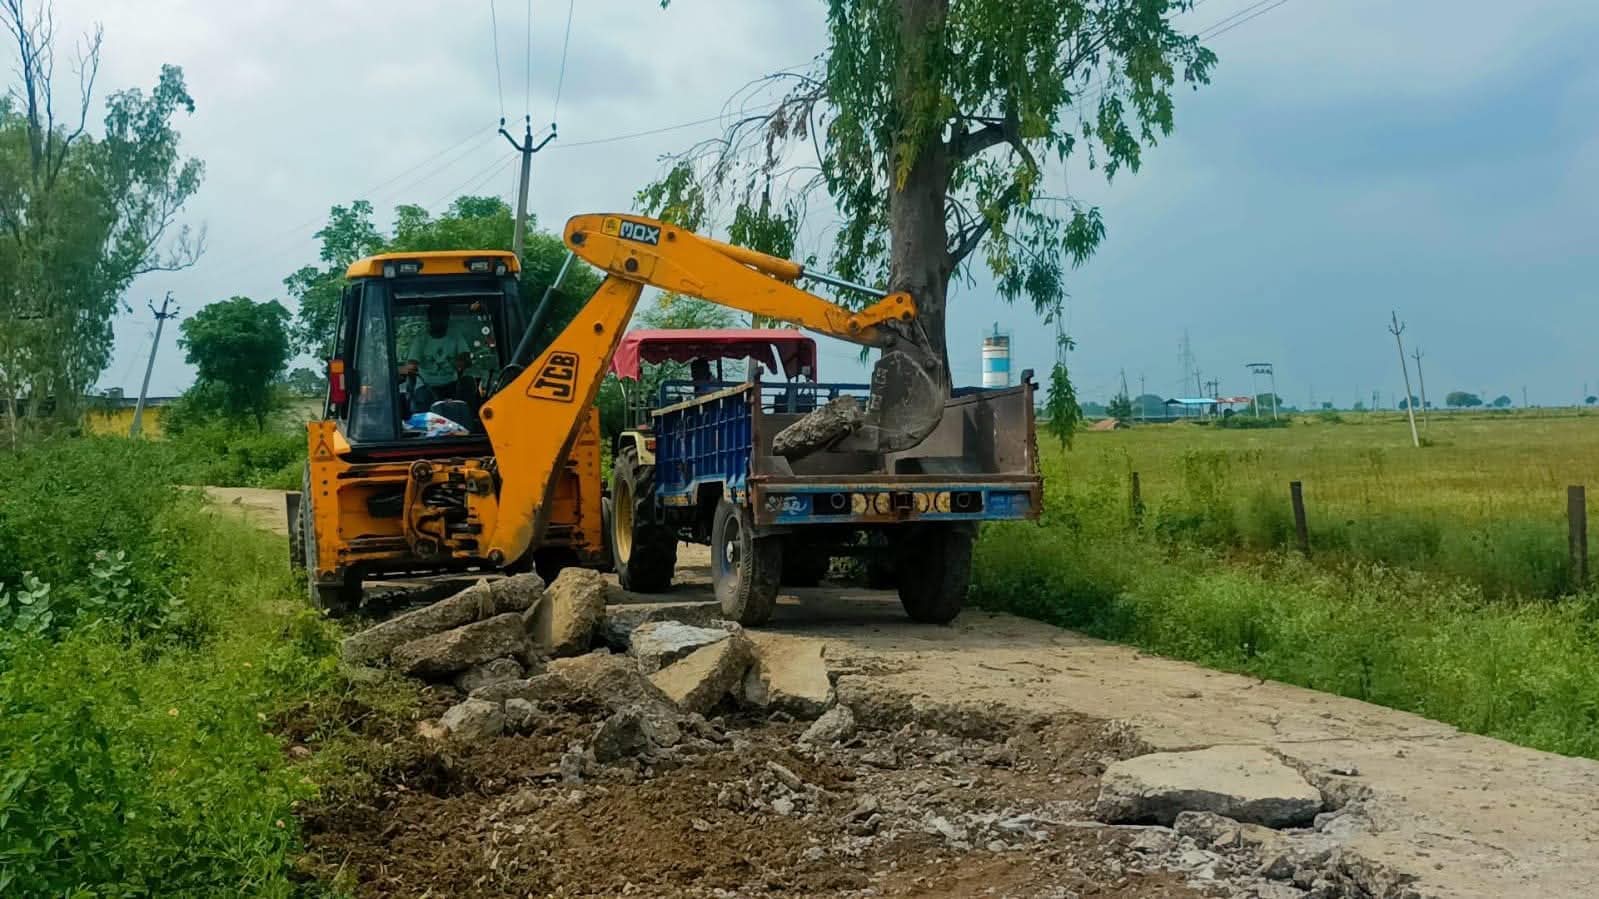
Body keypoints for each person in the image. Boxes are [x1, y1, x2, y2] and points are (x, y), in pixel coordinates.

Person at [400, 304, 477, 410]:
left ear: (447, 318)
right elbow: (412, 365)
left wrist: (462, 361)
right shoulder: (421, 340)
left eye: (443, 316)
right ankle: (425, 425)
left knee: (469, 382)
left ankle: (471, 420)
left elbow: (466, 358)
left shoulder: (455, 336)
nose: (440, 320)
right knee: (422, 398)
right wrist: (409, 368)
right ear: (430, 319)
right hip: (428, 386)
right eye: (437, 317)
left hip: (452, 384)